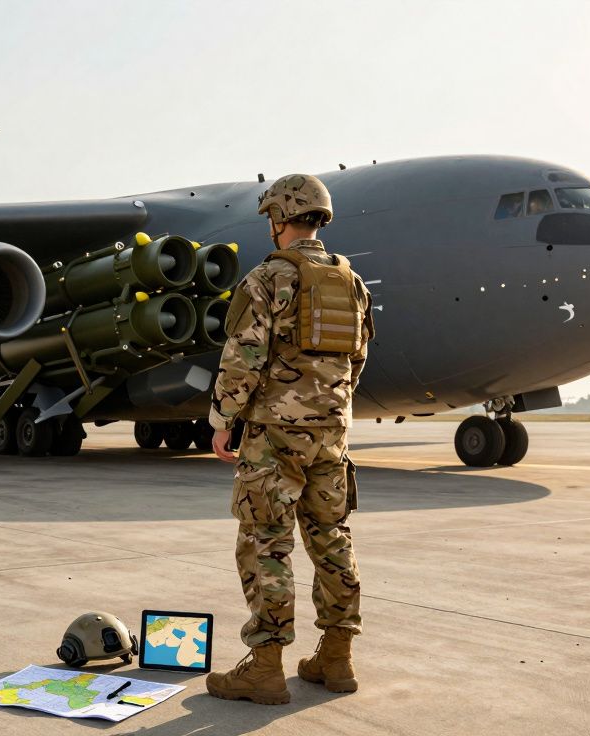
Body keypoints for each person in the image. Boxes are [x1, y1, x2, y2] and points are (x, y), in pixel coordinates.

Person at [203, 173, 374, 705]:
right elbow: (358, 359)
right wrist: (329, 408)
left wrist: (222, 418)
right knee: (331, 537)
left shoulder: (268, 278)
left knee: (266, 543)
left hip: (276, 436)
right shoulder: (352, 281)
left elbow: (243, 358)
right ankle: (337, 657)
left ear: (280, 218)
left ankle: (266, 667)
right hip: (332, 432)